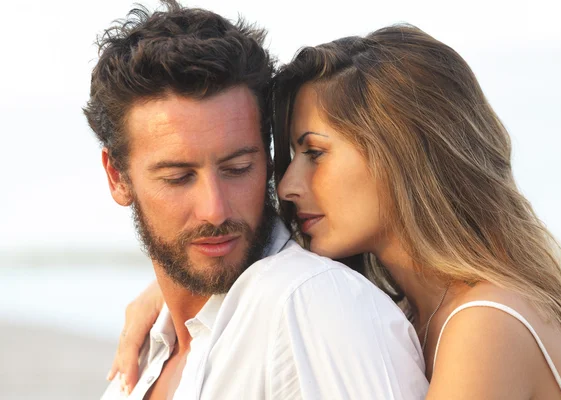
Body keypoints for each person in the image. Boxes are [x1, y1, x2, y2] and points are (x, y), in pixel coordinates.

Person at [111, 20, 561, 400]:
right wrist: (173, 291)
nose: (290, 184)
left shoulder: (486, 323)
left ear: (402, 157)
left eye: (315, 154)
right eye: (290, 157)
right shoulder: (426, 312)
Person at [85, 1, 429, 399]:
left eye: (237, 169)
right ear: (117, 177)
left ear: (266, 158)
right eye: (179, 178)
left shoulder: (314, 306)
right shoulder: (147, 348)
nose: (215, 209)